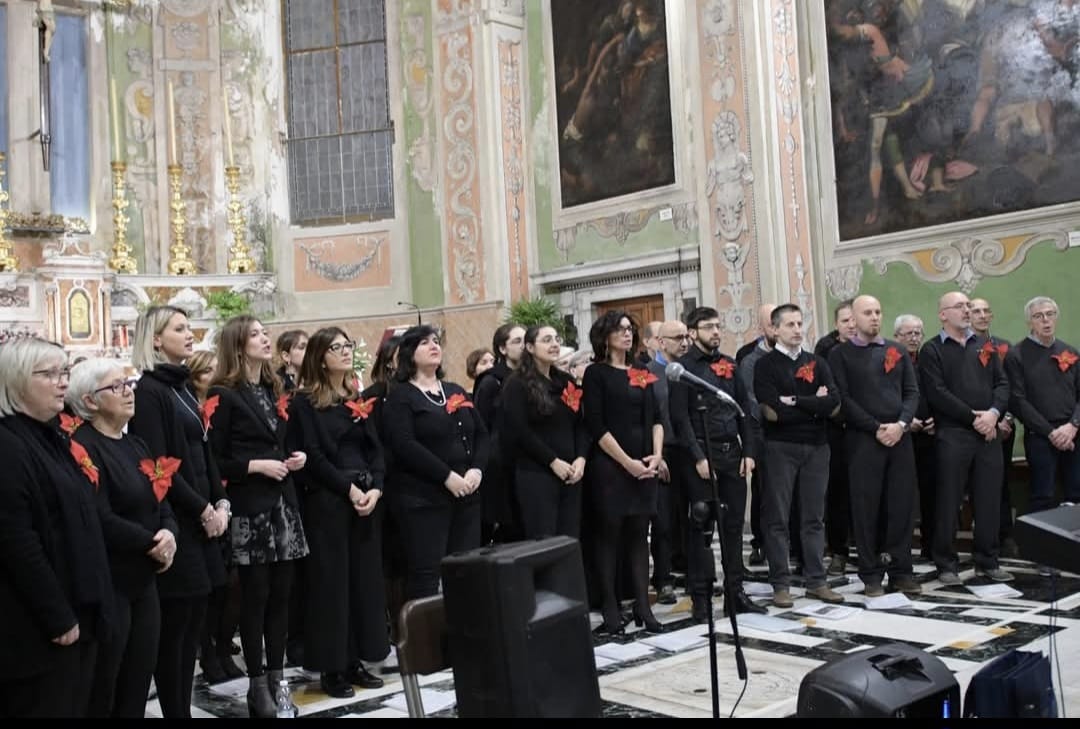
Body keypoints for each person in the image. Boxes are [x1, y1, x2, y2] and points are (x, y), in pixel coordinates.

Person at [0, 339, 113, 718]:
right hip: (38, 627)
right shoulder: (9, 444)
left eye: (64, 372)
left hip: (78, 610)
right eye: (49, 374)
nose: (62, 382)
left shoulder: (51, 436)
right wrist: (58, 616)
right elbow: (16, 540)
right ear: (14, 381)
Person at [128, 306, 229, 719]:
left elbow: (203, 449)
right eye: (179, 329)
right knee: (177, 629)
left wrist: (220, 499)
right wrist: (203, 507)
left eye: (190, 328)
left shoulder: (183, 386)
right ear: (155, 339)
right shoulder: (150, 392)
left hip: (204, 516)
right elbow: (160, 464)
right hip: (179, 519)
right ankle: (175, 712)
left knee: (195, 622)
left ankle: (181, 708)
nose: (190, 335)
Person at [207, 315, 310, 718]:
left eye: (265, 333)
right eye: (255, 335)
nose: (265, 339)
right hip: (251, 507)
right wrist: (256, 466)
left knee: (283, 596)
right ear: (237, 343)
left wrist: (292, 458)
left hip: (283, 504)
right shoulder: (223, 392)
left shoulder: (273, 387)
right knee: (256, 597)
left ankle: (279, 681)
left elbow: (277, 441)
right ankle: (256, 686)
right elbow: (215, 459)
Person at [67, 360, 177, 717]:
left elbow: (160, 499)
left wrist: (169, 533)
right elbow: (99, 515)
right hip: (111, 580)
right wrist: (152, 542)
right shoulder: (82, 447)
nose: (129, 390)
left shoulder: (136, 443)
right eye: (116, 386)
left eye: (128, 383)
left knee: (138, 678)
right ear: (90, 400)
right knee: (107, 684)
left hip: (145, 578)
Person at [287, 328, 387, 698]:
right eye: (336, 348)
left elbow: (376, 448)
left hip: (365, 501)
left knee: (363, 583)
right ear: (319, 356)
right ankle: (332, 666)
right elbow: (312, 454)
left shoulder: (355, 397)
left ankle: (357, 658)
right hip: (329, 502)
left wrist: (376, 486)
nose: (345, 352)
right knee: (332, 587)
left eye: (348, 346)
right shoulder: (304, 402)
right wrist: (349, 489)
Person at [670, 307, 765, 622]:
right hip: (701, 458)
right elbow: (681, 419)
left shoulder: (730, 365)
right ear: (692, 332)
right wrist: (698, 457)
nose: (715, 332)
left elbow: (744, 412)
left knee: (734, 528)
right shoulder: (682, 369)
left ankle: (735, 593)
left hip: (731, 455)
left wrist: (749, 453)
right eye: (708, 327)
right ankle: (700, 596)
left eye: (717, 326)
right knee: (701, 528)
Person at [382, 325, 489, 599]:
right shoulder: (401, 395)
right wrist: (447, 476)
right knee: (427, 574)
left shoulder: (454, 390)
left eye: (436, 341)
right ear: (409, 353)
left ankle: (467, 636)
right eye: (424, 343)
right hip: (424, 498)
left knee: (467, 570)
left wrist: (476, 468)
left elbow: (481, 434)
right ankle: (426, 641)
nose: (434, 346)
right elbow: (404, 444)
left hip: (466, 495)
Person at [828, 296, 921, 597]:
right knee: (866, 508)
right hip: (863, 440)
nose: (874, 317)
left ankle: (901, 570)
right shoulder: (840, 355)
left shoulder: (897, 351)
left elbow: (911, 392)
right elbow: (843, 398)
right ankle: (870, 574)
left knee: (901, 506)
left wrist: (901, 424)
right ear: (853, 319)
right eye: (867, 312)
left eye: (878, 312)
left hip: (898, 437)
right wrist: (875, 427)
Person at [918, 292, 1011, 585]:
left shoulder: (985, 345)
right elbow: (937, 392)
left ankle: (988, 559)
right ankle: (946, 562)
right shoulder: (931, 350)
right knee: (949, 500)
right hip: (953, 434)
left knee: (988, 499)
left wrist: (994, 414)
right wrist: (975, 418)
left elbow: (1003, 383)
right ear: (943, 314)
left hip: (988, 433)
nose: (967, 310)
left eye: (968, 306)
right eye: (959, 306)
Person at [754, 304, 844, 607]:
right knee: (778, 517)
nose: (796, 329)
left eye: (799, 323)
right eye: (789, 324)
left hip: (818, 446)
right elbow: (771, 412)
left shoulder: (817, 362)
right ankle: (780, 582)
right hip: (780, 447)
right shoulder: (765, 366)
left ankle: (816, 580)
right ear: (775, 329)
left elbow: (833, 404)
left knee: (814, 517)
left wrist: (794, 401)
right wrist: (811, 404)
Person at [582, 311, 664, 635]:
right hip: (611, 466)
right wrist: (626, 462)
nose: (627, 335)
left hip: (645, 464)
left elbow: (656, 416)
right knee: (608, 538)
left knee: (639, 537)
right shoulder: (596, 374)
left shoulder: (641, 370)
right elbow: (596, 424)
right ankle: (611, 608)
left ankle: (643, 605)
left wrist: (656, 456)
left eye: (630, 329)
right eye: (620, 330)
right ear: (605, 336)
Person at [184, 351, 245, 684]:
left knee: (231, 585)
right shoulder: (188, 410)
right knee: (212, 587)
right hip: (205, 501)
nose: (212, 375)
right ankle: (207, 652)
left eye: (214, 368)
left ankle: (222, 645)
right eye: (205, 370)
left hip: (229, 499)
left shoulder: (223, 405)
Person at [501, 326, 588, 539]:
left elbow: (581, 424)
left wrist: (581, 458)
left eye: (557, 339)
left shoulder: (565, 381)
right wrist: (552, 461)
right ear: (530, 347)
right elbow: (519, 431)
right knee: (545, 540)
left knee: (569, 540)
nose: (555, 344)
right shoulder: (516, 384)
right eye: (547, 340)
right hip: (537, 473)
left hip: (571, 473)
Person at [1006, 297, 1080, 514]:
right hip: (1040, 436)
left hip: (1073, 434)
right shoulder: (1016, 355)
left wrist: (1073, 426)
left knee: (1076, 493)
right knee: (1043, 494)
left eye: (1050, 314)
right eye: (1038, 316)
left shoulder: (1070, 352)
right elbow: (1018, 401)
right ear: (1030, 322)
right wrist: (1051, 433)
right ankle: (1041, 549)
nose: (1045, 320)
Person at [645, 320, 690, 605]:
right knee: (662, 520)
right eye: (677, 337)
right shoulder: (648, 374)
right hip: (663, 451)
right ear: (661, 342)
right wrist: (656, 454)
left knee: (693, 517)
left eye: (687, 337)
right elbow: (650, 418)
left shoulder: (691, 370)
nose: (684, 342)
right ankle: (663, 579)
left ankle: (691, 571)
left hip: (690, 451)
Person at [970, 298, 1018, 558]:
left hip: (1003, 426)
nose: (981, 315)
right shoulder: (962, 348)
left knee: (1001, 483)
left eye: (986, 310)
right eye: (976, 311)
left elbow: (1013, 387)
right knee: (976, 484)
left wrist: (1005, 418)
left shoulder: (1004, 347)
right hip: (974, 424)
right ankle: (982, 536)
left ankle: (1005, 534)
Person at [472, 322, 525, 543]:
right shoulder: (490, 381)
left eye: (525, 340)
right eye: (517, 341)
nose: (523, 346)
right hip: (501, 467)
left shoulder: (530, 377)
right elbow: (481, 427)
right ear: (502, 349)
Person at [814, 300, 856, 576]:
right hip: (838, 430)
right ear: (836, 325)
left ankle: (872, 549)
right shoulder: (825, 352)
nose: (852, 325)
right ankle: (838, 551)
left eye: (855, 320)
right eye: (846, 321)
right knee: (838, 494)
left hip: (866, 431)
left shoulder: (877, 348)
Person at [737, 303, 777, 566]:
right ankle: (760, 543)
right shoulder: (748, 357)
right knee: (763, 492)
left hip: (791, 434)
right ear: (762, 327)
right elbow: (749, 399)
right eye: (770, 323)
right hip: (762, 432)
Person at [894, 314, 936, 561]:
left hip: (930, 436)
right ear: (897, 336)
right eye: (908, 333)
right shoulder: (891, 359)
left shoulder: (929, 360)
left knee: (932, 493)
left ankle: (931, 546)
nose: (913, 338)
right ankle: (902, 548)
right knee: (904, 496)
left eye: (918, 333)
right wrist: (907, 422)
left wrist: (936, 419)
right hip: (902, 436)